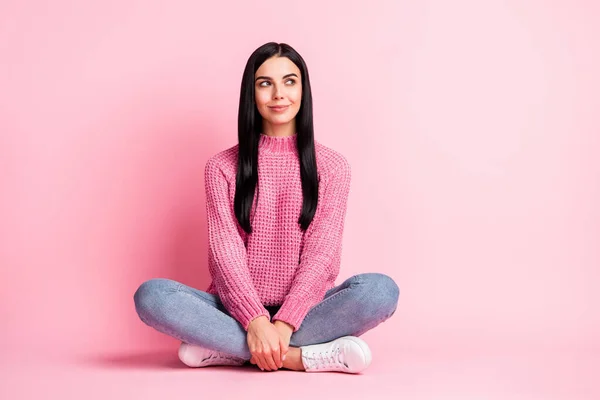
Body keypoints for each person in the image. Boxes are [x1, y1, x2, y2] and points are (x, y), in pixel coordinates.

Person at [133, 42, 399, 374]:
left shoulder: (332, 167)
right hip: (234, 311)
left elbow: (323, 253)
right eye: (265, 83)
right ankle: (304, 357)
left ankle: (233, 350)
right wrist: (256, 321)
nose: (278, 94)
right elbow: (224, 253)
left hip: (306, 312)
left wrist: (285, 323)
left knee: (379, 291)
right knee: (153, 297)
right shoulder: (221, 167)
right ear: (252, 93)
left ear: (303, 90)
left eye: (289, 81)